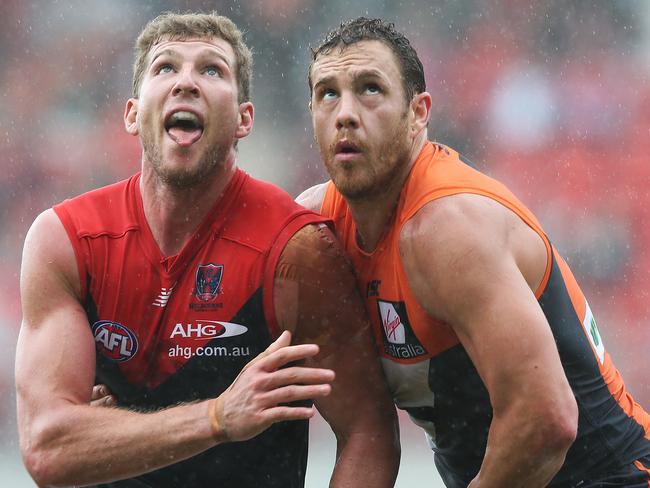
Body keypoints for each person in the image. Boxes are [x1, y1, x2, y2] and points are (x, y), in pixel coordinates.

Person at [15, 12, 399, 488]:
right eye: (165, 68)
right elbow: (47, 448)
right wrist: (218, 417)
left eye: (212, 70)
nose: (186, 83)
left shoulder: (296, 250)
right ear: (133, 114)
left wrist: (102, 430)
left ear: (244, 119)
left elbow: (369, 431)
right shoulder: (66, 241)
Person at [298, 17, 650, 488]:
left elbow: (546, 421)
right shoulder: (316, 228)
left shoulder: (446, 226)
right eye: (328, 93)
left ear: (419, 112)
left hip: (611, 477)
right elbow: (368, 430)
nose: (345, 112)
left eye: (369, 89)